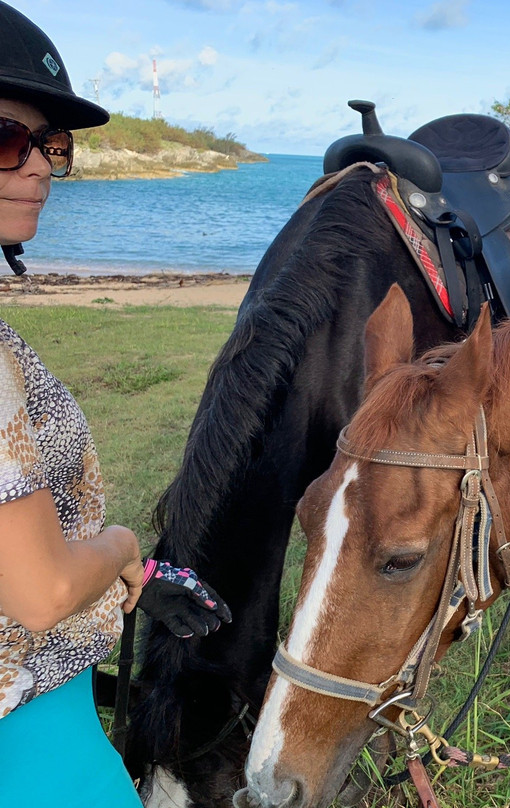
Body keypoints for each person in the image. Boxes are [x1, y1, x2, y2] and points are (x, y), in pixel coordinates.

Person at [0, 3, 232, 805]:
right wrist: (122, 539)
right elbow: (41, 592)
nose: (36, 168)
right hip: (26, 713)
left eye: (51, 148)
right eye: (5, 140)